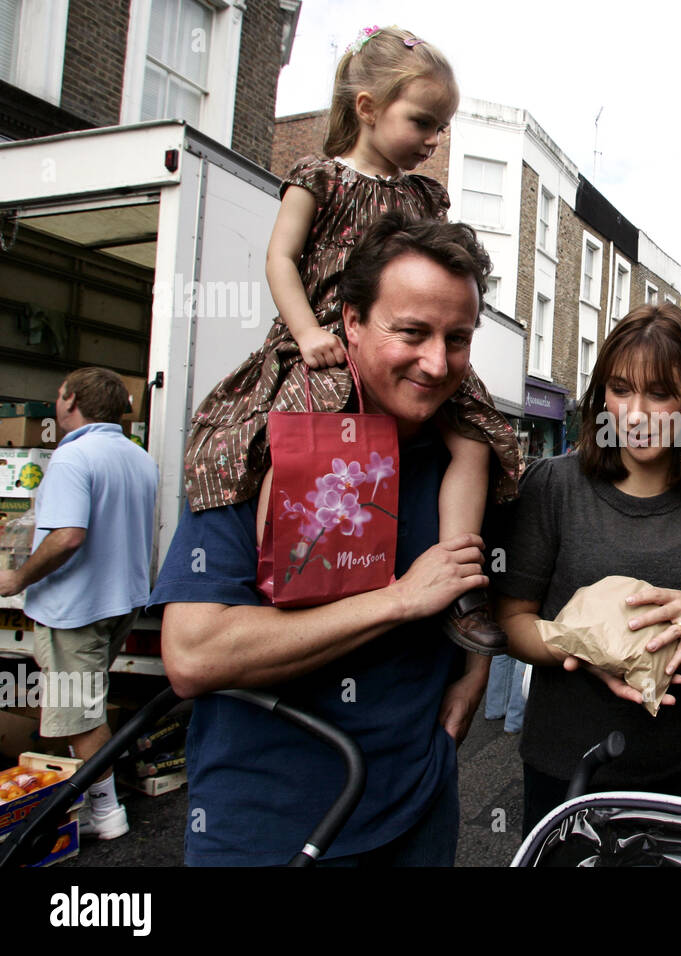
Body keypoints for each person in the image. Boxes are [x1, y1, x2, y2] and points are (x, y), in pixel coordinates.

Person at [151, 214, 496, 865]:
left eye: (458, 338)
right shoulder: (266, 446)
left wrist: (475, 668)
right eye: (412, 333)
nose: (437, 362)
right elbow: (194, 656)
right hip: (267, 838)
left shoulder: (464, 460)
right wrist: (398, 599)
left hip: (418, 821)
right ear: (353, 323)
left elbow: (481, 586)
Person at [182, 24, 518, 656]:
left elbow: (438, 270)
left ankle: (458, 582)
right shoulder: (318, 176)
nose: (433, 139)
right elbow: (280, 259)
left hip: (378, 337)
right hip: (326, 340)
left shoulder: (424, 195)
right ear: (368, 108)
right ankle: (285, 572)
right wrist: (309, 333)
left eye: (440, 126)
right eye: (423, 122)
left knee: (476, 435)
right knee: (298, 432)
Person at [496, 304, 681, 832]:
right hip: (566, 771)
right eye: (620, 389)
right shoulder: (554, 486)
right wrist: (584, 648)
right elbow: (513, 625)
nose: (635, 414)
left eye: (659, 394)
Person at [0, 368, 158, 841]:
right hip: (120, 600)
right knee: (89, 701)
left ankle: (105, 813)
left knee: (80, 713)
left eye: (57, 395)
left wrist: (17, 578)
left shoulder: (73, 459)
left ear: (71, 400)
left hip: (77, 606)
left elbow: (68, 536)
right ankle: (97, 797)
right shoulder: (138, 458)